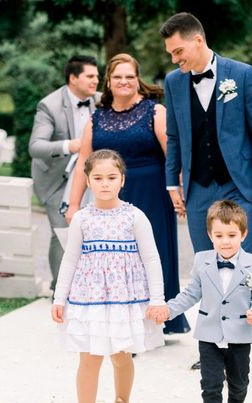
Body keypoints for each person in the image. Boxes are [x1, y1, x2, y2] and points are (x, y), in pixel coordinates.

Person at [65, 53, 189, 335]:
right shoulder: (96, 119)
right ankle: (122, 319)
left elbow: (174, 157)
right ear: (108, 81)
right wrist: (73, 205)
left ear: (138, 80)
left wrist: (179, 191)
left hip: (152, 193)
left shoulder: (155, 112)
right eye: (118, 77)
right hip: (109, 197)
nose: (124, 82)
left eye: (130, 77)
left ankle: (158, 321)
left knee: (152, 253)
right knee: (117, 257)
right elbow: (84, 164)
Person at [51, 149, 166, 403]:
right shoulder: (81, 219)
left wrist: (157, 299)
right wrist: (59, 298)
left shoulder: (135, 217)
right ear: (88, 181)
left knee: (120, 355)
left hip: (124, 299)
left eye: (111, 177)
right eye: (98, 178)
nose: (105, 183)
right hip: (88, 299)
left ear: (122, 180)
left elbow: (151, 258)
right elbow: (70, 259)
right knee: (89, 357)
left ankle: (122, 401)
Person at [149, 200, 252, 403]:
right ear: (210, 235)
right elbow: (191, 293)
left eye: (231, 235)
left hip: (239, 332)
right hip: (209, 333)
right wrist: (169, 309)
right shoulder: (202, 261)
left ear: (243, 234)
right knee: (210, 382)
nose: (225, 241)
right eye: (219, 235)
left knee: (239, 380)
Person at [159, 12, 252, 255]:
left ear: (198, 41)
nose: (174, 59)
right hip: (197, 189)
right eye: (170, 53)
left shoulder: (241, 74)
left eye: (178, 51)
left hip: (239, 184)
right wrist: (172, 185)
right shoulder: (173, 82)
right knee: (205, 263)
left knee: (241, 264)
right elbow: (174, 137)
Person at [29, 55, 100, 291]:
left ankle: (85, 288)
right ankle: (60, 291)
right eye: (90, 76)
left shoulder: (100, 101)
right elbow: (36, 147)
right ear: (73, 78)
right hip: (55, 180)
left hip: (89, 179)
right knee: (62, 232)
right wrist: (71, 145)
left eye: (97, 76)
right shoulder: (49, 105)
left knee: (89, 232)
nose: (96, 81)